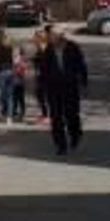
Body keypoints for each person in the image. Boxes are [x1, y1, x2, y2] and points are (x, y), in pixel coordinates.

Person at [40, 25, 89, 155]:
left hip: (70, 87)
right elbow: (43, 70)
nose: (49, 38)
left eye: (52, 36)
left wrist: (83, 82)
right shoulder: (48, 50)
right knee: (56, 118)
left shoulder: (73, 47)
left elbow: (81, 65)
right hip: (53, 88)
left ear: (60, 36)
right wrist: (42, 87)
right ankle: (61, 145)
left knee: (71, 115)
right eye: (49, 36)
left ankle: (75, 135)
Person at [0, 29, 16, 123]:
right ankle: (8, 115)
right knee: (8, 95)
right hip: (8, 71)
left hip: (2, 71)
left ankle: (7, 114)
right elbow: (15, 58)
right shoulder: (10, 44)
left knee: (4, 95)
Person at [30, 26, 52, 123]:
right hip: (43, 74)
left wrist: (36, 61)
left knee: (42, 95)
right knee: (42, 95)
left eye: (35, 37)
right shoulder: (42, 47)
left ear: (39, 38)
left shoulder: (44, 47)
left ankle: (47, 116)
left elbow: (45, 61)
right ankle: (46, 115)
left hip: (45, 75)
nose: (33, 39)